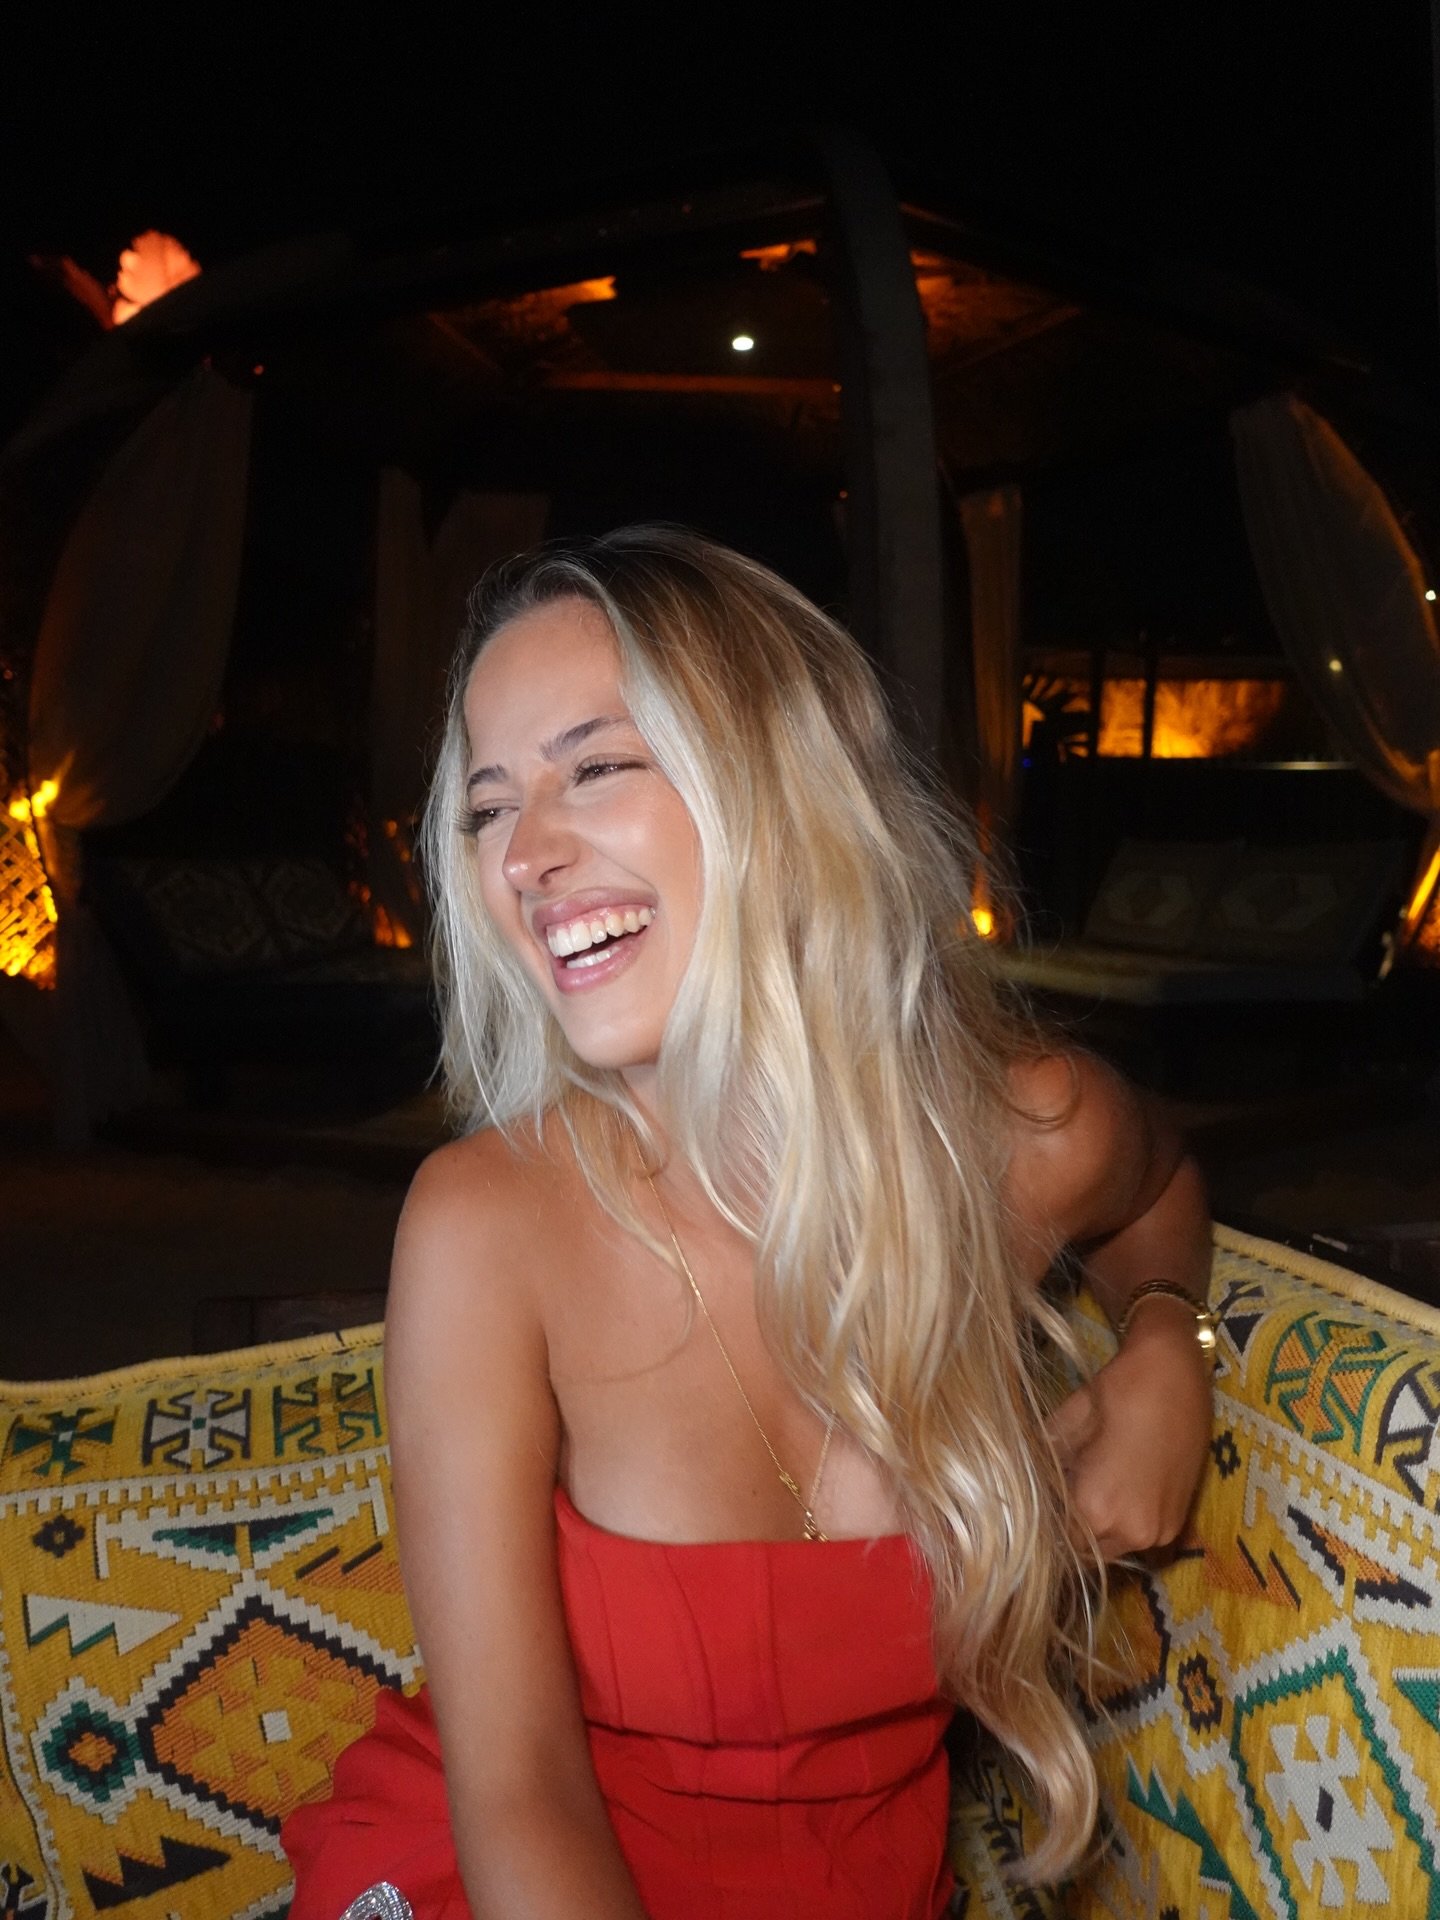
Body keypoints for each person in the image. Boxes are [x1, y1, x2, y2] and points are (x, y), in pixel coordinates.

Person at [282, 528, 1214, 1920]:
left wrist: (1167, 1347)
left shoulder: (1014, 1141)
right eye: (489, 807)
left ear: (778, 785)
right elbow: (517, 1788)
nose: (525, 854)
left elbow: (1160, 1182)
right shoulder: (485, 1224)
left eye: (596, 767)